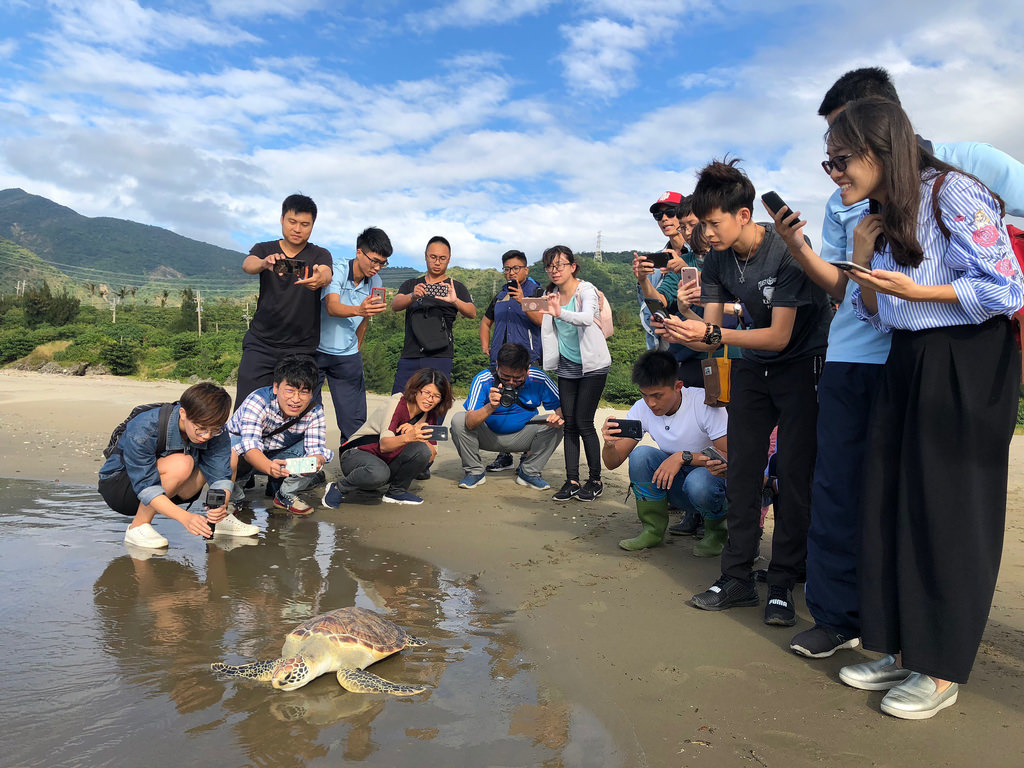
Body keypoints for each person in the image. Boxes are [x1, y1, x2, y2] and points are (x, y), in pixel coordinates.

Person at [774, 67, 1024, 661]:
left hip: (957, 354)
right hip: (880, 352)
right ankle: (867, 630)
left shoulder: (960, 173)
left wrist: (933, 288)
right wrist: (815, 251)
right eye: (829, 156)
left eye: (842, 150)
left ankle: (934, 656)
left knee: (940, 506)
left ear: (881, 128)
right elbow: (861, 295)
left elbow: (1001, 284)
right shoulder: (866, 204)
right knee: (865, 496)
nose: (834, 170)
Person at [660, 159, 832, 626]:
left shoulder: (788, 251)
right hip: (754, 366)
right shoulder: (715, 258)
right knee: (741, 469)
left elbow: (778, 335)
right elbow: (712, 328)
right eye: (702, 224)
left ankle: (782, 581)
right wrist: (689, 330)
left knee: (794, 476)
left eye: (713, 224)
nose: (706, 234)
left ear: (743, 215)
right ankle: (736, 577)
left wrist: (711, 336)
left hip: (802, 364)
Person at [600, 351, 728, 555]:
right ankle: (652, 529)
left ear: (678, 386)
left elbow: (730, 457)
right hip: (677, 484)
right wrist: (608, 444)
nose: (650, 403)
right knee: (641, 455)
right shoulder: (642, 408)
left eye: (657, 395)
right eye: (644, 395)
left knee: (698, 482)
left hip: (711, 484)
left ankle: (717, 532)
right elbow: (612, 463)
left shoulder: (704, 403)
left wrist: (682, 457)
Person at [98, 382, 250, 549]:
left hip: (172, 486)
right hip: (123, 488)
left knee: (231, 457)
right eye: (200, 429)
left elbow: (221, 474)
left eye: (214, 430)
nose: (206, 436)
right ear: (183, 413)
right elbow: (145, 485)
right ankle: (138, 527)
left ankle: (219, 521)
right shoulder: (145, 426)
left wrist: (220, 507)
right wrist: (186, 518)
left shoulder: (216, 429)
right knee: (182, 463)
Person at [236, 194, 333, 406]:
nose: (298, 229)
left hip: (301, 349)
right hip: (261, 344)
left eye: (305, 224)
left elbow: (326, 273)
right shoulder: (265, 249)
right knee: (246, 407)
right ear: (282, 220)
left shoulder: (319, 254)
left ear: (313, 225)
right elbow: (248, 264)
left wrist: (319, 279)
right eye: (292, 222)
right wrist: (264, 263)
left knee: (297, 411)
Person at [540, 246, 611, 503]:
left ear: (573, 266)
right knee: (569, 423)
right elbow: (548, 329)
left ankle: (595, 480)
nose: (554, 270)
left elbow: (584, 318)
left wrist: (560, 312)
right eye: (550, 266)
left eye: (560, 264)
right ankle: (572, 480)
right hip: (567, 364)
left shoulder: (586, 290)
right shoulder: (550, 295)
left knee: (583, 421)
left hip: (593, 365)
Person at [322, 368, 453, 507]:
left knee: (422, 450)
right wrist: (408, 437)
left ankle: (396, 492)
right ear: (415, 390)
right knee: (379, 473)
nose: (430, 399)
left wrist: (419, 435)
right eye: (426, 392)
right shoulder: (396, 404)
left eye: (437, 396)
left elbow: (430, 456)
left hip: (385, 462)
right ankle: (338, 488)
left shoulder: (430, 414)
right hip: (356, 455)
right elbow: (385, 445)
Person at [227, 355, 333, 517]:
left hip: (279, 457)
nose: (296, 399)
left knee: (314, 459)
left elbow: (316, 449)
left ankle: (285, 494)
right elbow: (250, 448)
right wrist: (269, 467)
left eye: (304, 392)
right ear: (276, 387)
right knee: (231, 447)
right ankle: (234, 497)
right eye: (290, 390)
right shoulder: (258, 401)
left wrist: (316, 461)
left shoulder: (314, 412)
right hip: (245, 456)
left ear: (312, 393)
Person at [452, 342, 564, 491]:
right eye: (505, 377)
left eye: (518, 378)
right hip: (489, 436)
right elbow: (470, 422)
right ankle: (474, 472)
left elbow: (561, 408)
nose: (511, 382)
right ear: (497, 366)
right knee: (458, 420)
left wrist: (556, 419)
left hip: (525, 435)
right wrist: (490, 406)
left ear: (528, 370)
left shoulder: (539, 378)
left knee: (562, 422)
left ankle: (530, 472)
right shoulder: (483, 379)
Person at [317, 227, 392, 444]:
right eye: (374, 261)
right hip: (316, 350)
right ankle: (308, 465)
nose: (377, 268)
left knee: (354, 418)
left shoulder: (375, 282)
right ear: (359, 252)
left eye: (382, 263)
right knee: (307, 412)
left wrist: (355, 348)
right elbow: (332, 306)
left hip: (347, 355)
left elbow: (366, 318)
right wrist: (360, 310)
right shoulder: (337, 269)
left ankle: (354, 461)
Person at [479, 248, 544, 474]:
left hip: (527, 358)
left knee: (527, 404)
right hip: (499, 359)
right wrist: (485, 345)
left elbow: (542, 321)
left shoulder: (536, 290)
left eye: (516, 268)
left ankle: (527, 456)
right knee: (500, 402)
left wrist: (524, 301)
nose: (511, 272)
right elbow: (486, 321)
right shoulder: (499, 294)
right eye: (507, 268)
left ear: (525, 269)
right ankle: (504, 454)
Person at [391, 236, 476, 394]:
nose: (437, 262)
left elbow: (472, 312)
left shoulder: (455, 286)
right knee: (399, 402)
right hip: (410, 354)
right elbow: (395, 305)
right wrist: (412, 296)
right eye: (433, 257)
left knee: (436, 404)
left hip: (441, 356)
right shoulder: (411, 284)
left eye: (442, 258)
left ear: (449, 260)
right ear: (425, 256)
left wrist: (455, 300)